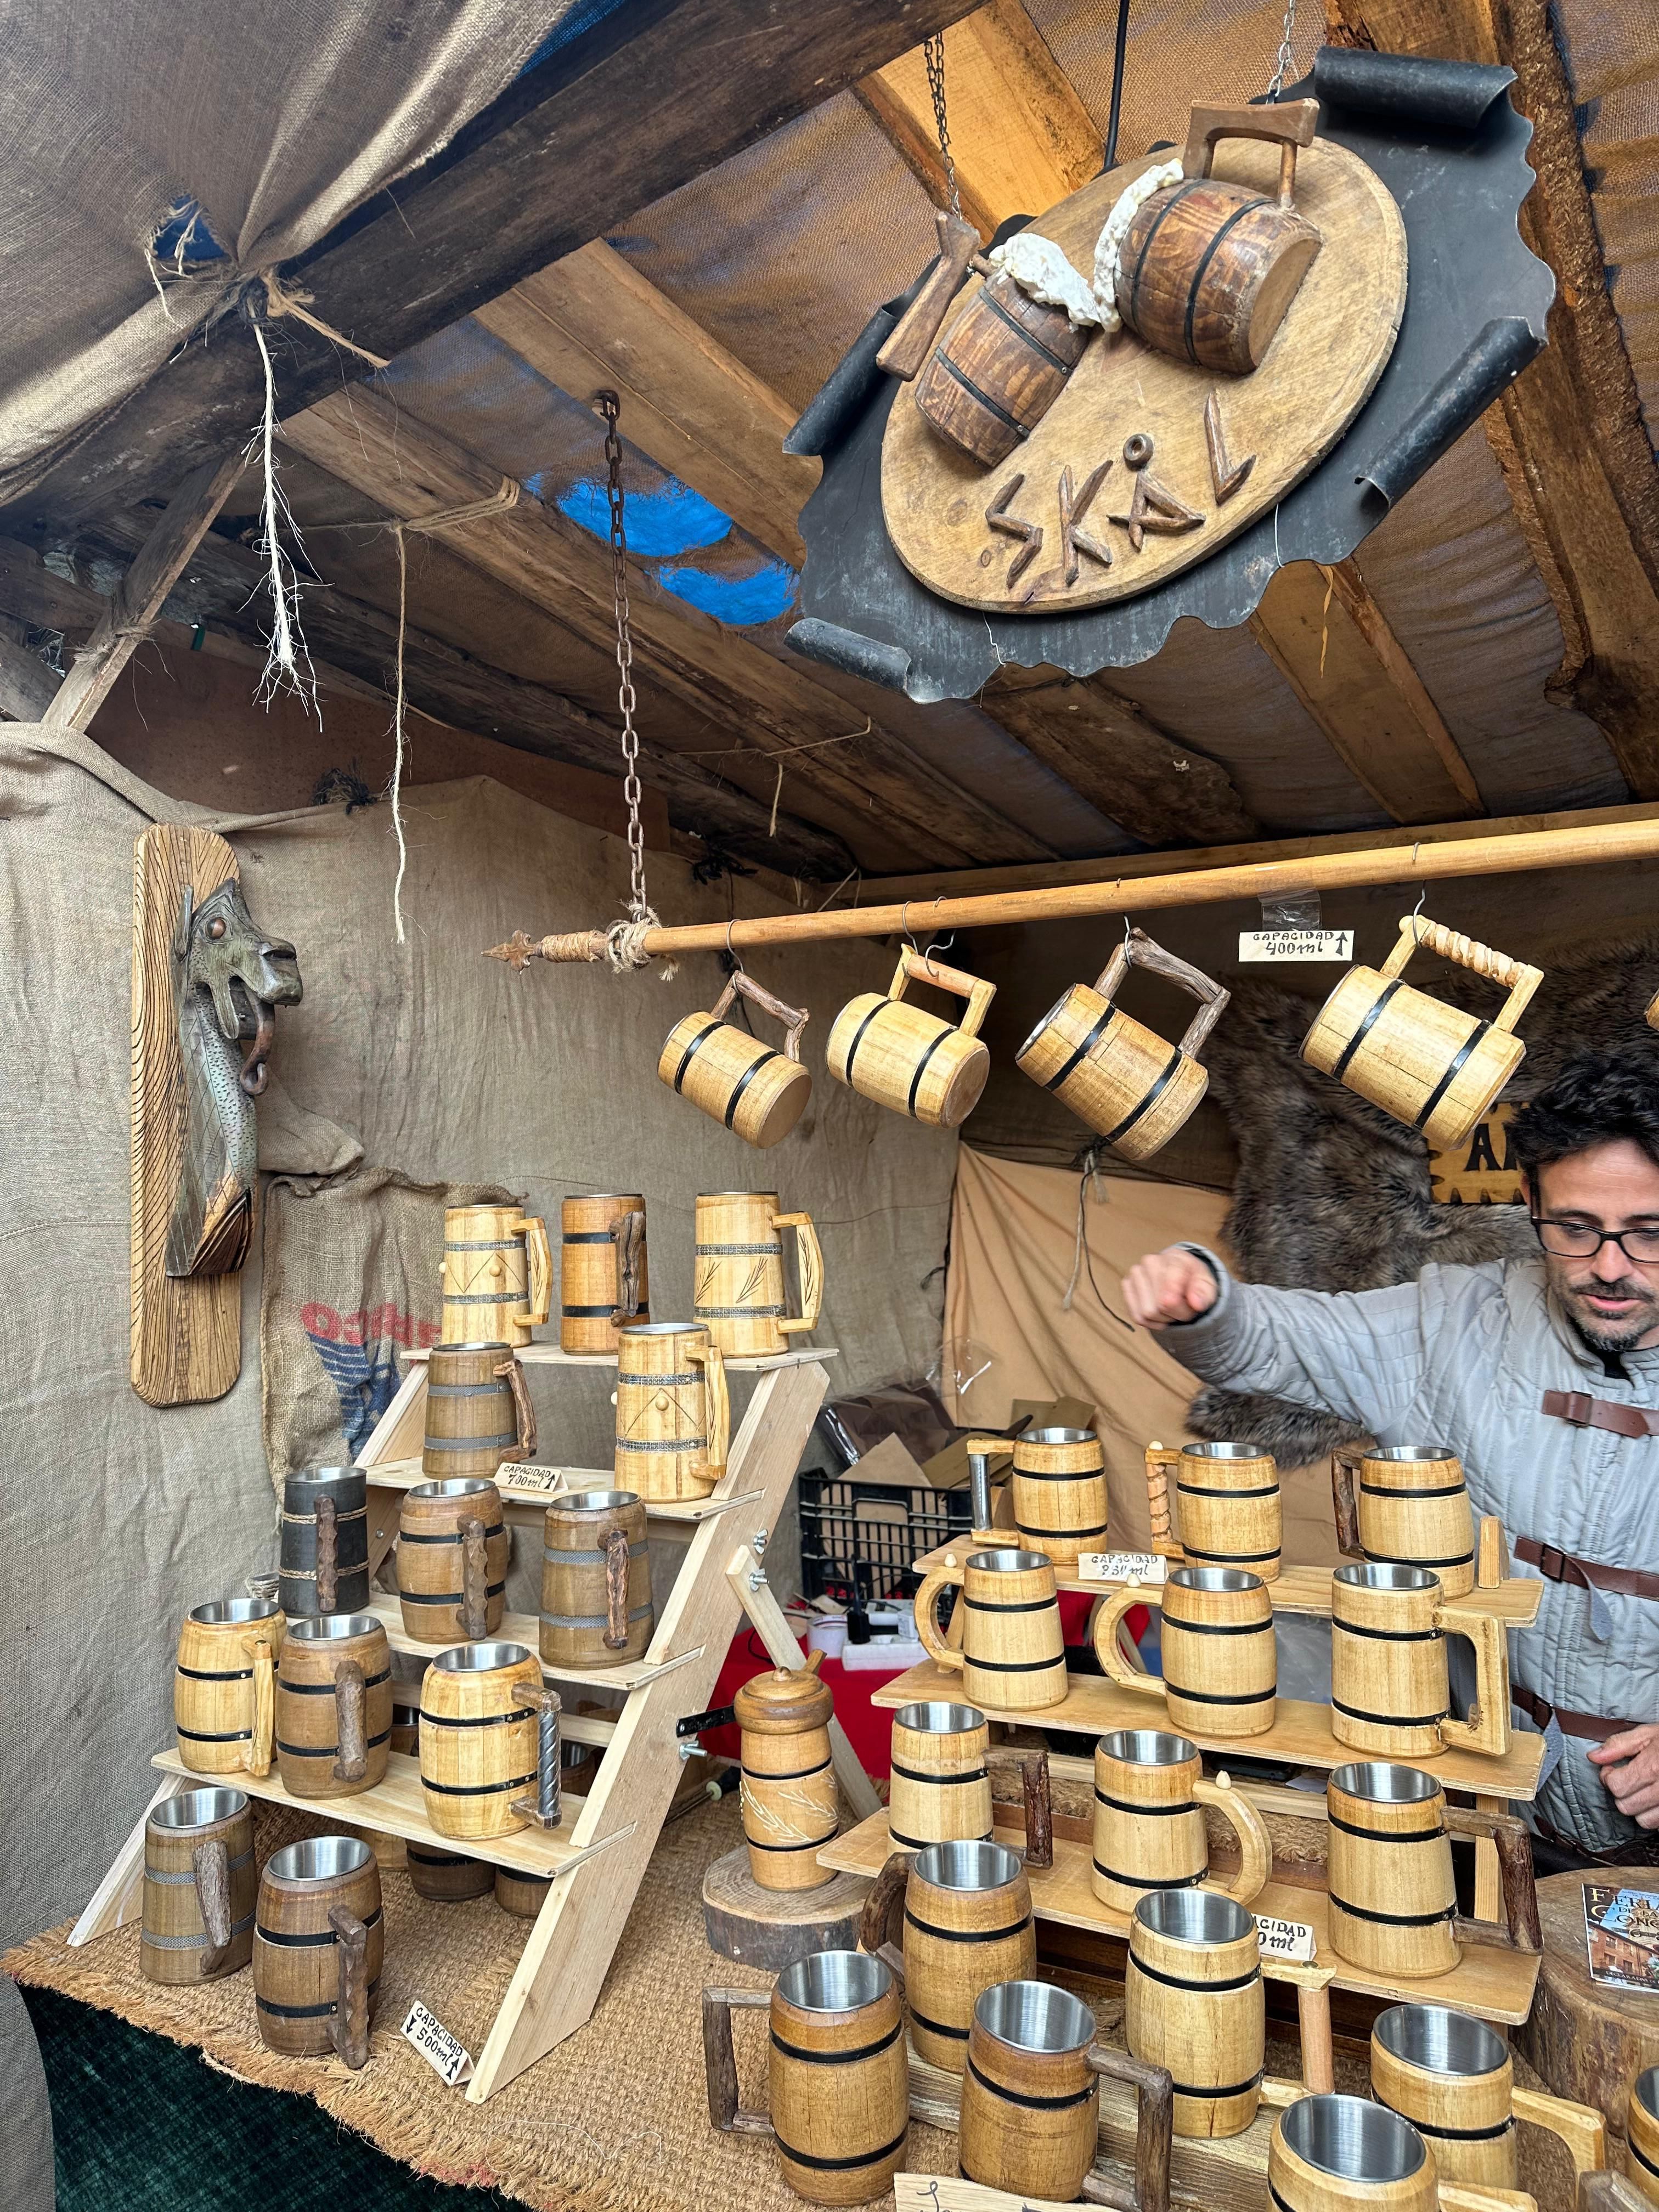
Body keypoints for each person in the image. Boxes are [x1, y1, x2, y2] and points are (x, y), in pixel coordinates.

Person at [1122, 1041, 1659, 1864]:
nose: (1610, 1268)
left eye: (1648, 1233)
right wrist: (1202, 1301)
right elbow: (1288, 1338)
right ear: (1528, 1202)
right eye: (1575, 1229)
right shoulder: (1456, 1322)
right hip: (1485, 1814)